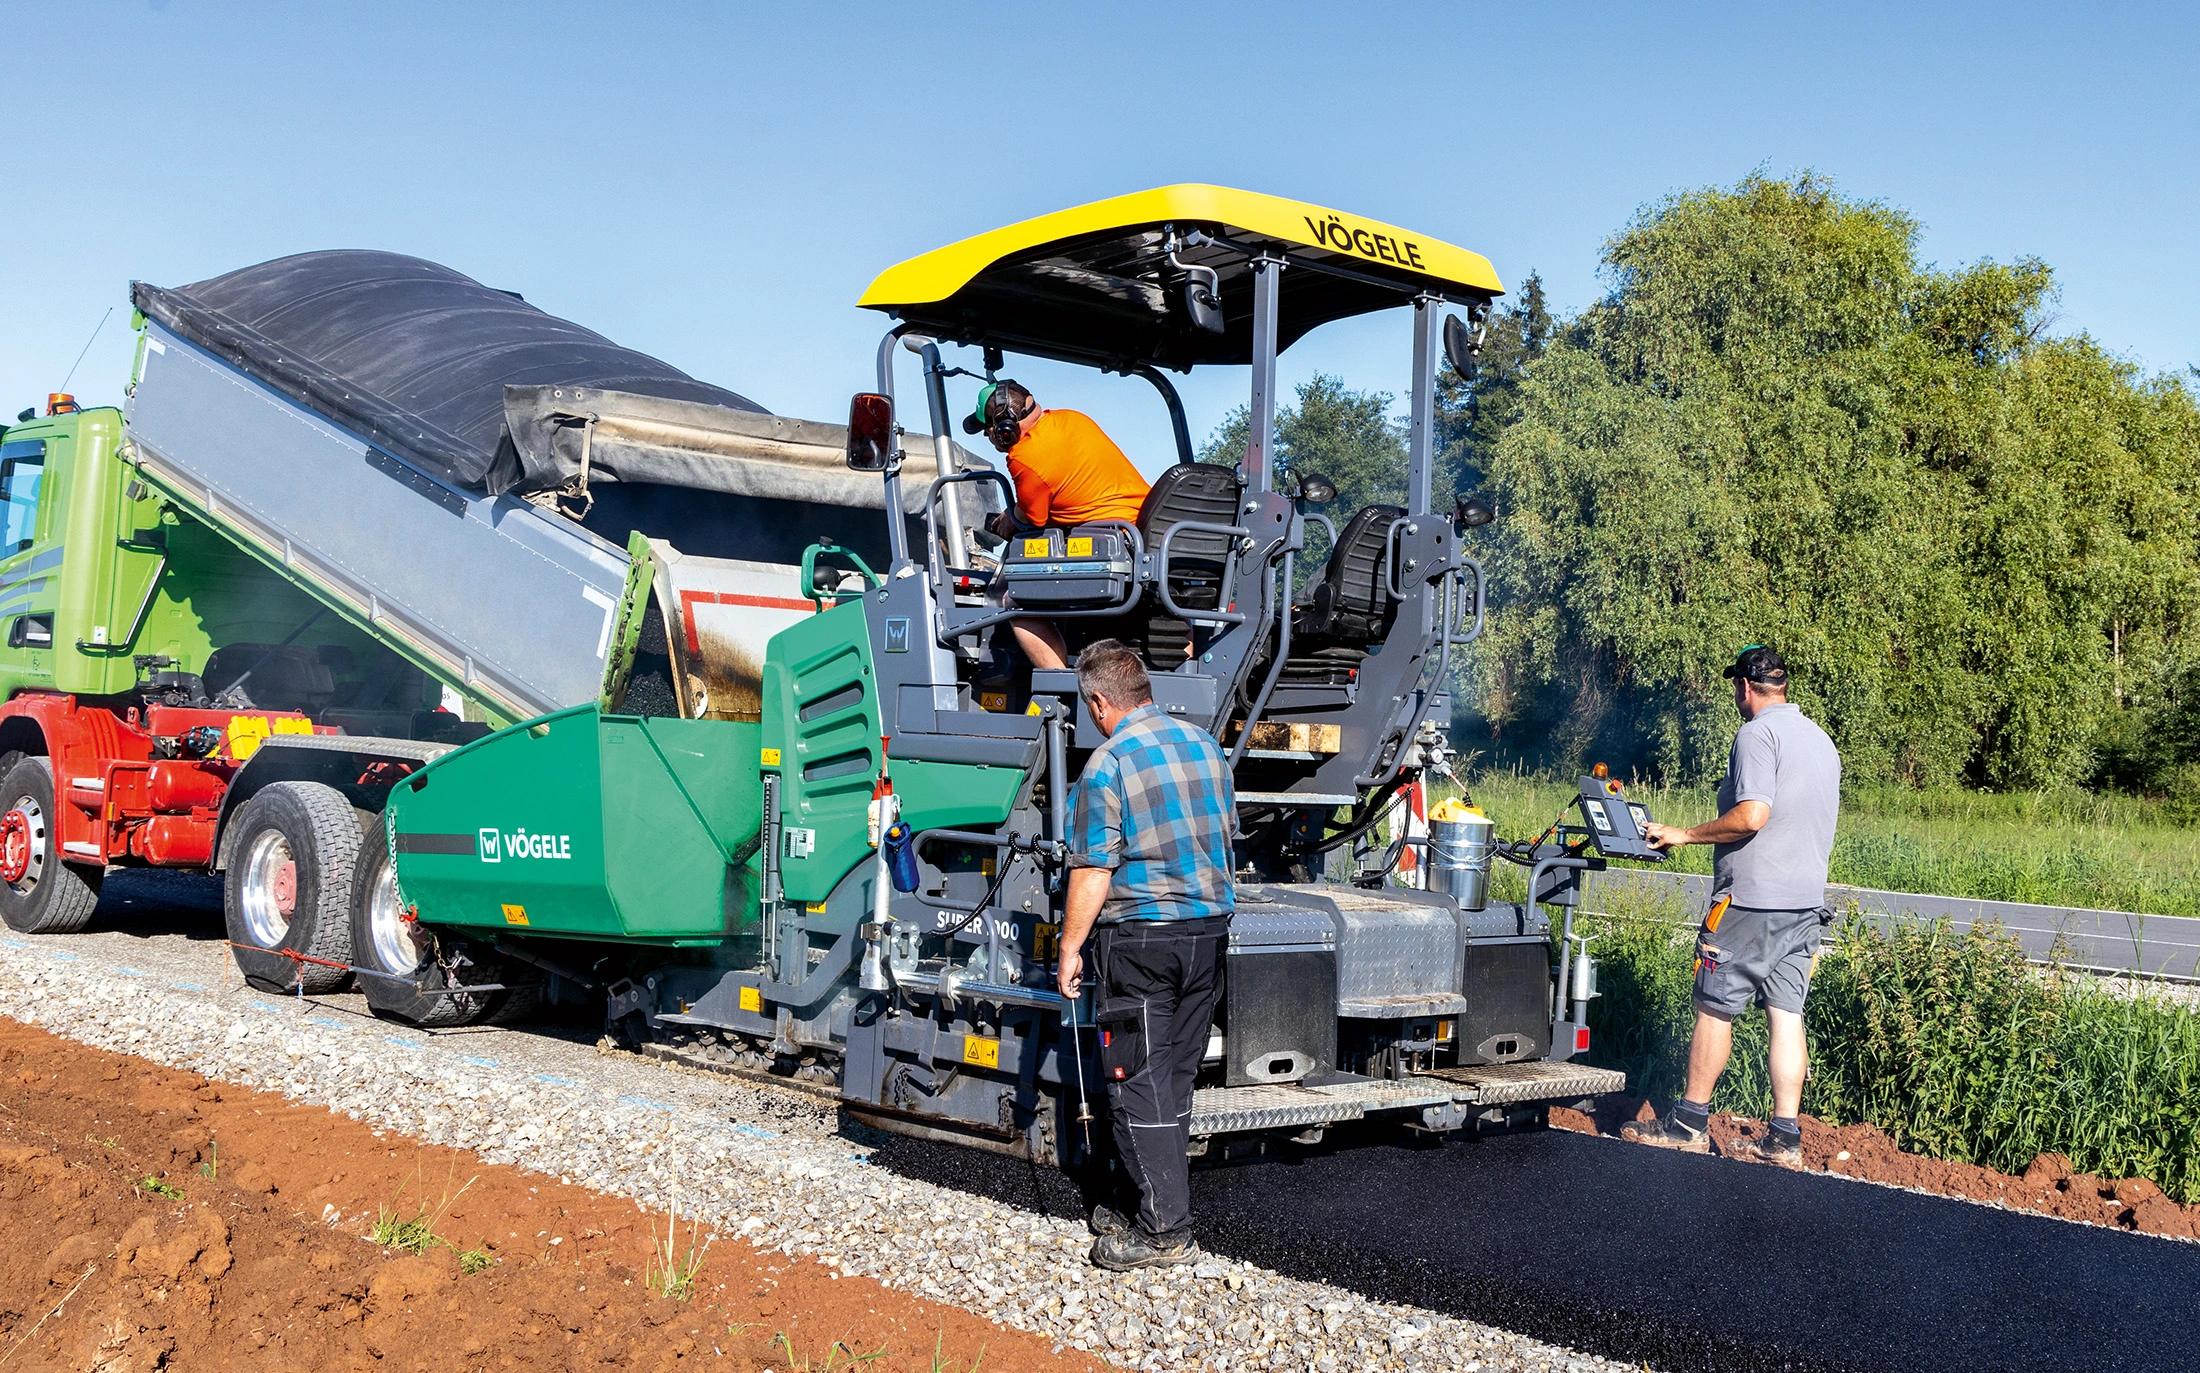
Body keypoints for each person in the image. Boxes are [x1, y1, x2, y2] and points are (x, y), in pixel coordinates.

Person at [1622, 644, 1842, 1169]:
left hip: (1750, 903)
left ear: (1745, 687)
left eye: (1735, 689)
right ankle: (1785, 1139)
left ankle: (1688, 1123)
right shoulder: (1820, 740)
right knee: (1787, 1014)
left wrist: (1684, 834)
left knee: (1714, 1006)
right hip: (1806, 906)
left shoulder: (1756, 734)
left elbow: (1752, 815)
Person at [1053, 639, 1234, 1269]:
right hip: (1209, 933)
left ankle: (1164, 1230)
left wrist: (1070, 947)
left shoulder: (1107, 766)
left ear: (1101, 701)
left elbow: (1093, 870)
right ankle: (1149, 1199)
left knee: (1135, 1079)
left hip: (1143, 941)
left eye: (1090, 708)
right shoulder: (1205, 746)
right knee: (1176, 1074)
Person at [964, 381, 1150, 670]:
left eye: (988, 429)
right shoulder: (1072, 419)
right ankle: (1184, 665)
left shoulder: (1025, 458)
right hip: (1147, 536)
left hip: (1110, 543)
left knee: (1014, 599)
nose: (988, 436)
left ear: (1003, 428)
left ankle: (1059, 681)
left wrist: (1008, 520)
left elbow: (1033, 518)